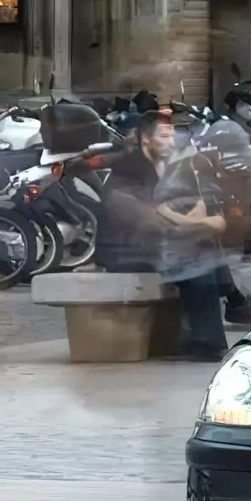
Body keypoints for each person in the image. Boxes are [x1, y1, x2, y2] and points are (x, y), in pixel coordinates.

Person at [97, 112, 230, 360]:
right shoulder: (127, 172)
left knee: (202, 245)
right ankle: (222, 320)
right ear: (146, 140)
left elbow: (194, 205)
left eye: (173, 136)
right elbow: (149, 220)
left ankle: (210, 340)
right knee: (197, 255)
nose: (171, 143)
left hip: (158, 242)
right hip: (126, 249)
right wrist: (198, 224)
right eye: (164, 137)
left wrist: (197, 221)